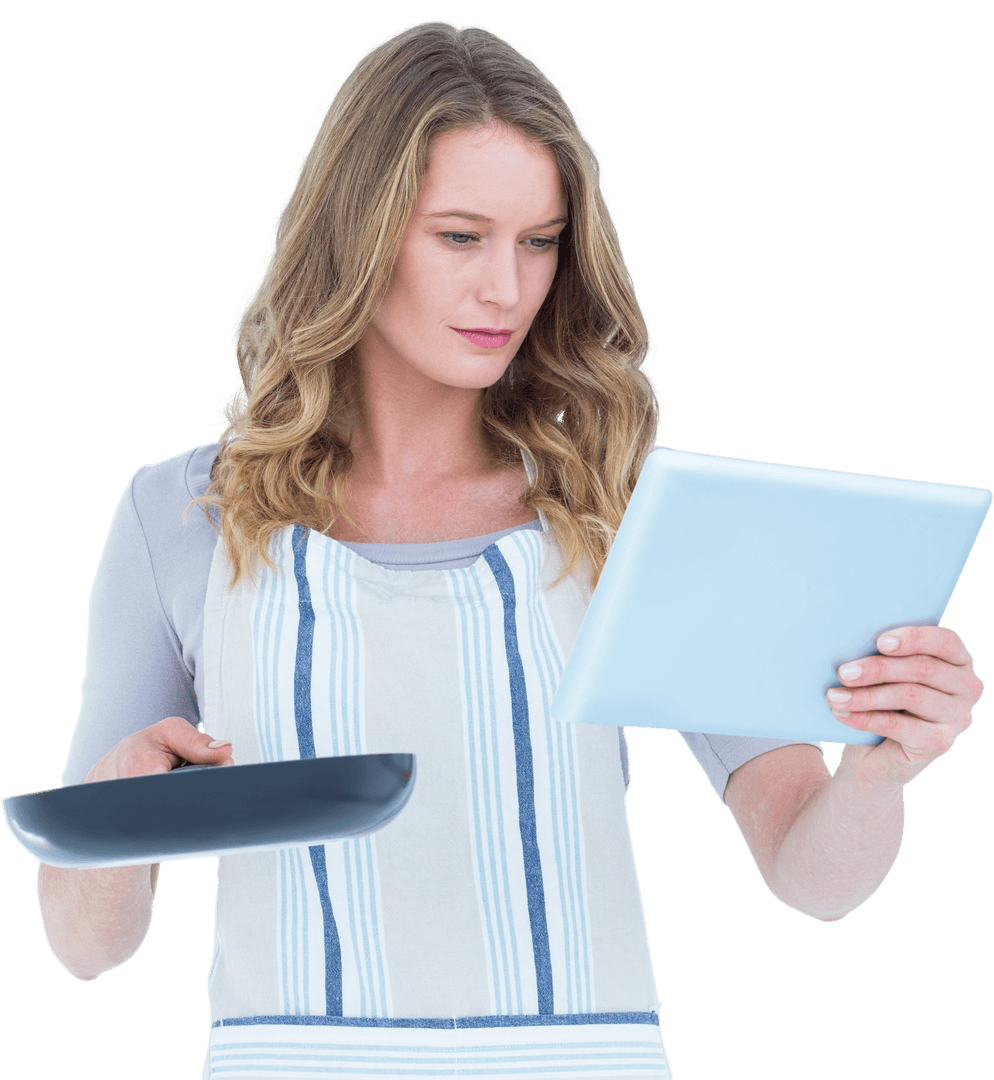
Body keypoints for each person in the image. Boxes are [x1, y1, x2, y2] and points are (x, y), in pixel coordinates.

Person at [36, 18, 983, 1080]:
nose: (507, 289)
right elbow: (84, 945)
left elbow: (811, 875)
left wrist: (882, 769)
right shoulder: (180, 515)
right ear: (356, 234)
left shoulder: (624, 506)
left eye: (539, 242)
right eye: (460, 237)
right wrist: (118, 800)